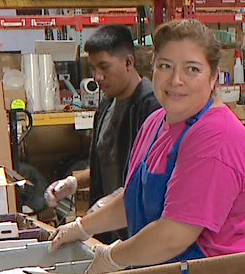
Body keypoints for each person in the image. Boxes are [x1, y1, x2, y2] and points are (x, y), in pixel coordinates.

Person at [49, 19, 245, 274]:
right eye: (165, 66)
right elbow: (134, 201)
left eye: (192, 69)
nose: (176, 80)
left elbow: (175, 234)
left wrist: (112, 257)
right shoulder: (156, 122)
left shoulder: (217, 135)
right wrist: (83, 227)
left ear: (214, 77)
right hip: (170, 273)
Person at [44, 25, 160, 242]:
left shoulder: (151, 106)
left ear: (128, 62)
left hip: (139, 232)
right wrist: (72, 182)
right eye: (93, 68)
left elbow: (152, 177)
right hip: (108, 232)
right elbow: (106, 164)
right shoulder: (106, 104)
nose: (97, 76)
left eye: (104, 67)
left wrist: (112, 203)